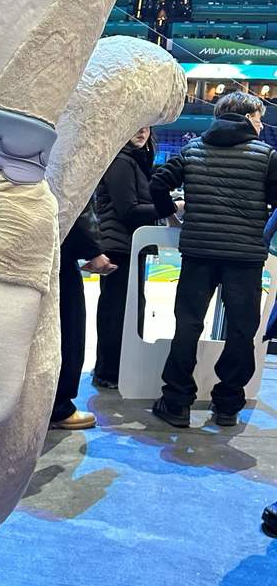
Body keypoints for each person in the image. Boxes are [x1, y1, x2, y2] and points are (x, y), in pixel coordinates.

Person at [149, 91, 277, 429]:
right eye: (259, 118)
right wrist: (261, 232)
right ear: (247, 117)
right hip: (244, 258)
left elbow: (158, 183)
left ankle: (176, 402)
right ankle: (227, 406)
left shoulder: (192, 150)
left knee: (188, 325)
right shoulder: (266, 156)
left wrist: (171, 215)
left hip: (199, 252)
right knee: (241, 330)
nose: (261, 125)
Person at [92, 126, 159, 389]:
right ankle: (108, 372)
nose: (142, 131)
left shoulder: (136, 161)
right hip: (119, 248)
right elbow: (129, 210)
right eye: (136, 124)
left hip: (131, 246)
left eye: (147, 126)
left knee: (128, 310)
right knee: (117, 312)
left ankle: (117, 369)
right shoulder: (121, 161)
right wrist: (170, 207)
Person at [50, 207, 117, 429]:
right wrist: (94, 251)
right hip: (56, 251)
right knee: (67, 329)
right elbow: (72, 204)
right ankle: (58, 406)